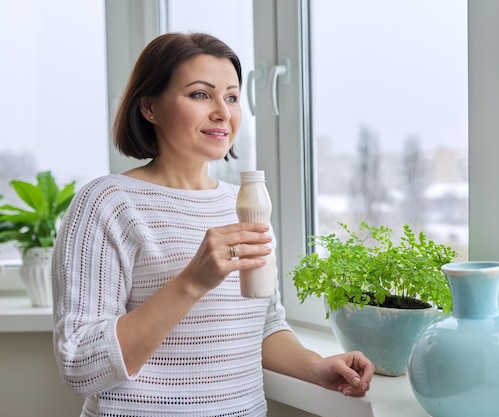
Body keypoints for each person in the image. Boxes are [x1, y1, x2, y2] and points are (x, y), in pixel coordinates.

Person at [51, 32, 374, 417]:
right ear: (150, 107)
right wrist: (193, 281)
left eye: (232, 96)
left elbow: (263, 326)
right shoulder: (107, 203)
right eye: (200, 94)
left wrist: (316, 367)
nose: (223, 111)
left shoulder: (242, 203)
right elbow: (80, 365)